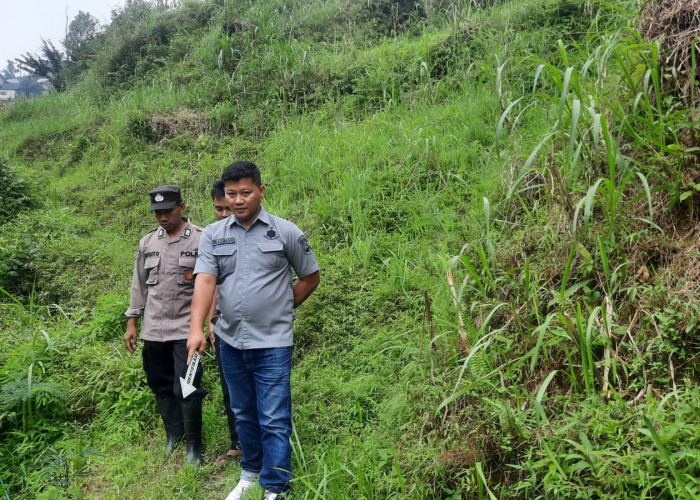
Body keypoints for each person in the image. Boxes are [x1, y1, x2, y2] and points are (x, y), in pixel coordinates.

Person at [187, 161, 320, 500]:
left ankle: (275, 487)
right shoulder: (214, 236)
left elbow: (310, 277)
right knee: (243, 412)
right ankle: (250, 472)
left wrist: (283, 308)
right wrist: (196, 328)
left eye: (246, 192)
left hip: (273, 342)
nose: (238, 200)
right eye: (231, 194)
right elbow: (204, 281)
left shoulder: (285, 232)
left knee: (274, 416)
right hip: (230, 340)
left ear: (261, 191)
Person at [124, 184, 207, 465]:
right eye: (157, 212)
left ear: (181, 207)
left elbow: (211, 285)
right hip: (153, 330)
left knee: (188, 385)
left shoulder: (200, 239)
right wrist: (132, 322)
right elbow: (139, 286)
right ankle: (175, 436)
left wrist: (209, 323)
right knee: (160, 383)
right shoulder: (147, 243)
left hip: (186, 329)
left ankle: (194, 447)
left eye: (167, 211)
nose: (161, 217)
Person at [208, 179, 243, 463]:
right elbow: (209, 284)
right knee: (229, 387)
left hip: (256, 326)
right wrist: (209, 322)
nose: (222, 214)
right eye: (218, 209)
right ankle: (237, 443)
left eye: (225, 208)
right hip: (223, 325)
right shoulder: (213, 237)